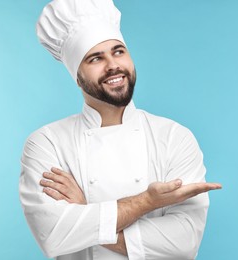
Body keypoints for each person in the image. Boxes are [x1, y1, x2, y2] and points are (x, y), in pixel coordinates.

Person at [19, 0, 222, 259]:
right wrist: (146, 201)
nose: (113, 65)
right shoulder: (47, 142)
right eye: (95, 58)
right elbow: (53, 235)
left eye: (118, 51)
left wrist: (85, 211)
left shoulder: (174, 137)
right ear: (77, 75)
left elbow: (183, 242)